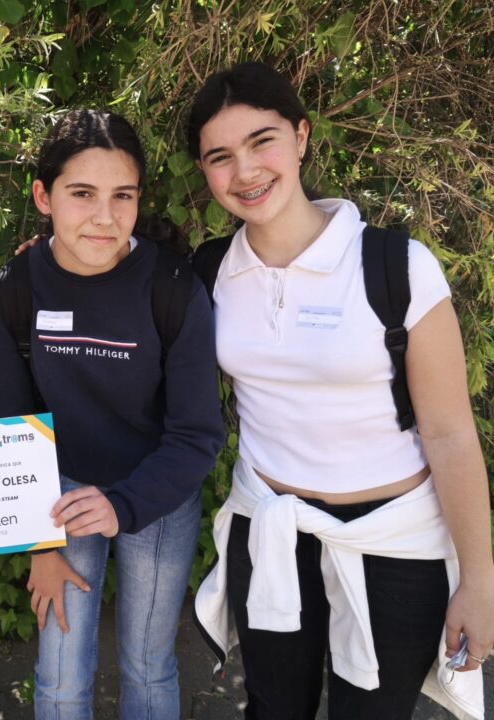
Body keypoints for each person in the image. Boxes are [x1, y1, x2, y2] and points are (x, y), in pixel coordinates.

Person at [189, 62, 493, 719]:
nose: (245, 171)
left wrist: (480, 581)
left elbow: (449, 432)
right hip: (270, 528)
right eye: (220, 156)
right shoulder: (210, 273)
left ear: (301, 137)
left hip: (395, 543)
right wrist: (43, 269)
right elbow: (124, 322)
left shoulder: (396, 266)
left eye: (262, 141)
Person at [0, 110, 224, 719]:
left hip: (157, 491)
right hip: (56, 496)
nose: (105, 217)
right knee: (60, 673)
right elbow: (11, 429)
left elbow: (196, 434)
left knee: (148, 666)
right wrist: (39, 545)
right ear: (44, 197)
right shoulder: (14, 287)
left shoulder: (172, 286)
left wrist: (125, 505)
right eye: (82, 194)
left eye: (123, 196)